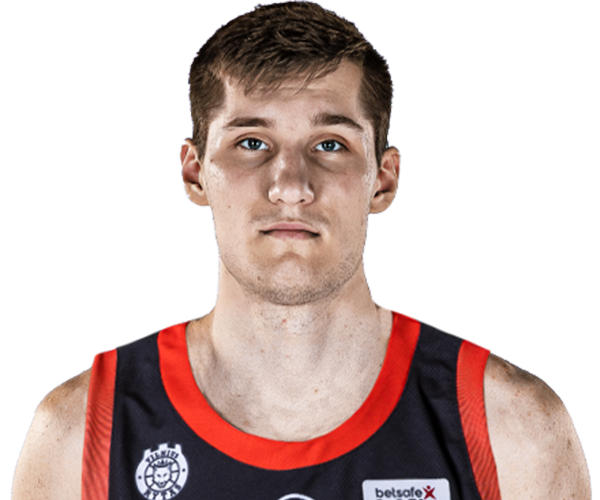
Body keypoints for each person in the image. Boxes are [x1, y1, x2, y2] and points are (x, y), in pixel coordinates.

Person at [13, 3, 590, 499]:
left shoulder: (511, 430)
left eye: (330, 144)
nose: (290, 185)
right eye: (251, 142)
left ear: (383, 179)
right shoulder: (81, 435)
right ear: (194, 172)